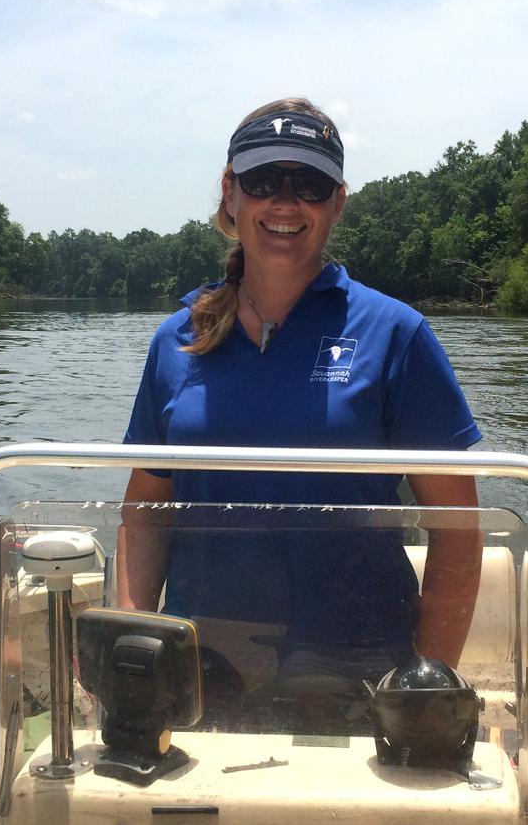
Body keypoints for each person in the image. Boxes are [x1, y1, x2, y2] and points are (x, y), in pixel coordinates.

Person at [118, 97, 482, 678]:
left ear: (337, 202)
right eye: (264, 180)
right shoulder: (175, 340)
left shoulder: (397, 334)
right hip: (201, 656)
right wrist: (133, 641)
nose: (285, 202)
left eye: (309, 184)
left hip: (357, 657)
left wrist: (430, 681)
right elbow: (144, 514)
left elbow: (457, 529)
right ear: (231, 193)